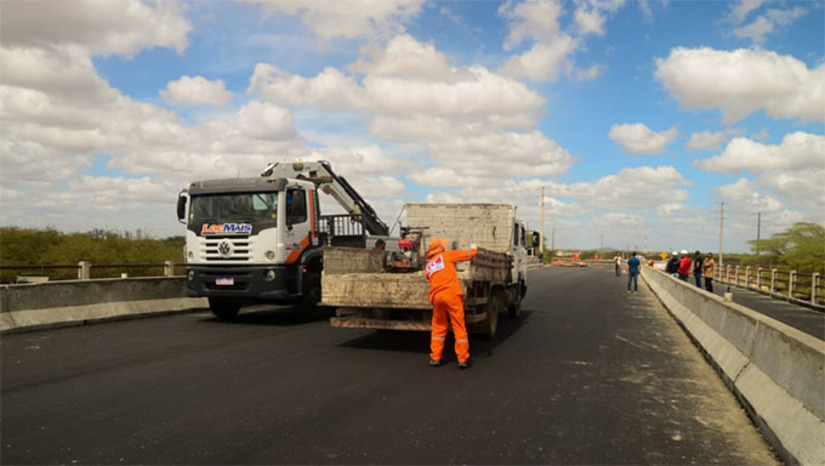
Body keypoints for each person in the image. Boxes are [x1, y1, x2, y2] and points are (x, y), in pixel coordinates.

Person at [424, 238, 477, 369]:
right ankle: (462, 358)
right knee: (458, 325)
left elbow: (429, 277)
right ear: (441, 247)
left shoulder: (429, 265)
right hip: (451, 295)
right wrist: (474, 248)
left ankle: (435, 357)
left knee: (438, 326)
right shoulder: (447, 255)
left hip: (436, 297)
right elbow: (468, 255)